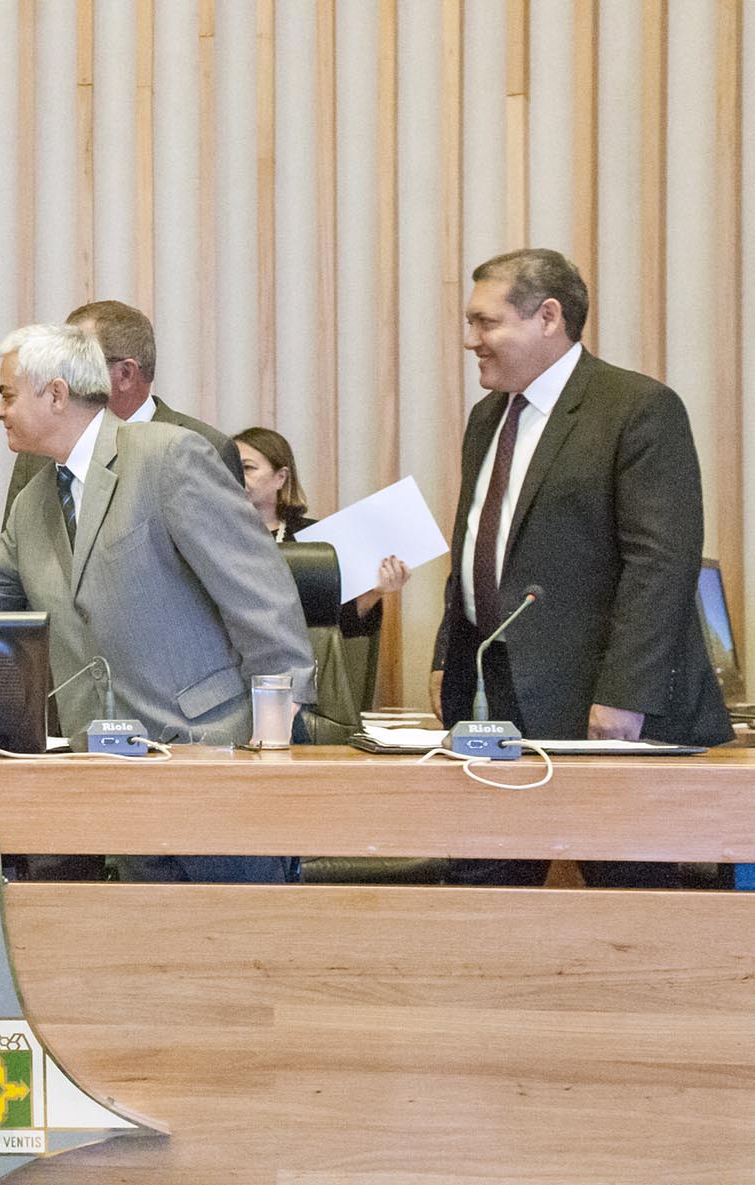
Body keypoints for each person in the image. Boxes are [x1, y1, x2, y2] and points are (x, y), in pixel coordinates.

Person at [0, 323, 315, 884]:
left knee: (240, 928)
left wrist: (282, 713)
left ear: (55, 394)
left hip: (208, 751)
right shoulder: (35, 502)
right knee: (151, 934)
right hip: (110, 764)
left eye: (7, 395)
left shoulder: (168, 456)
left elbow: (257, 586)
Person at [431, 248, 732, 886]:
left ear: (548, 317)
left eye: (486, 322)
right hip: (492, 695)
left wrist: (625, 696)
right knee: (482, 890)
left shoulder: (636, 408)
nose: (470, 340)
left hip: (602, 704)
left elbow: (660, 564)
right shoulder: (488, 417)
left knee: (629, 896)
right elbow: (477, 544)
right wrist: (447, 656)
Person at [234, 426, 409, 739]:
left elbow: (339, 625)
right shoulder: (214, 534)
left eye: (247, 467)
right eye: (231, 467)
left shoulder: (316, 542)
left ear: (280, 478)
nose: (237, 476)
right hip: (231, 674)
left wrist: (376, 592)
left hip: (302, 683)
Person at [1, 299, 241, 522]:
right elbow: (13, 551)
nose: (60, 380)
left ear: (126, 374)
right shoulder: (39, 453)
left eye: (78, 365)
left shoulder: (205, 449)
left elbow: (224, 550)